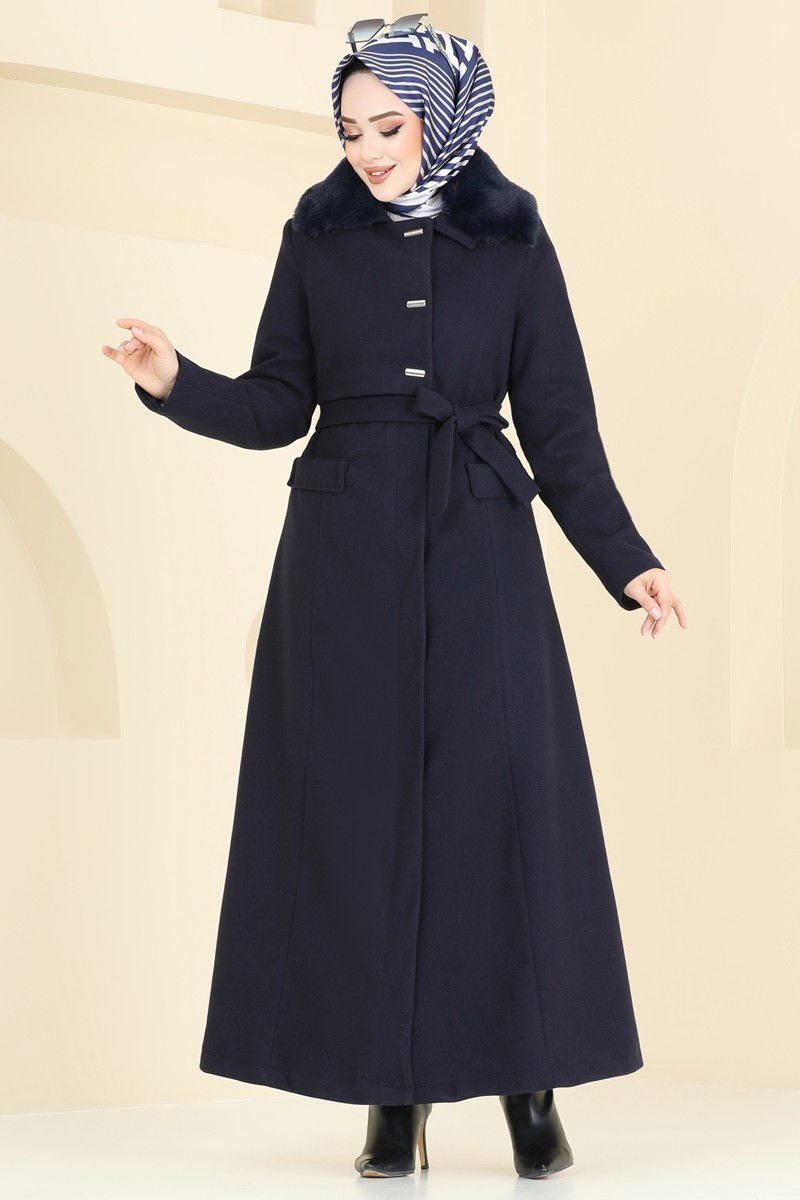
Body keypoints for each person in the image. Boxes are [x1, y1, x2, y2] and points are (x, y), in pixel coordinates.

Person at [102, 15, 686, 1181]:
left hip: (480, 539)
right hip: (344, 554)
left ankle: (528, 1092)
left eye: (389, 125)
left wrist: (626, 558)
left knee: (498, 814)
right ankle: (388, 1098)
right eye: (348, 129)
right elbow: (278, 402)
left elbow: (558, 427)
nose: (366, 150)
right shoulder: (315, 236)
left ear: (443, 115)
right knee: (356, 824)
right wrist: (173, 383)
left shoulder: (512, 240)